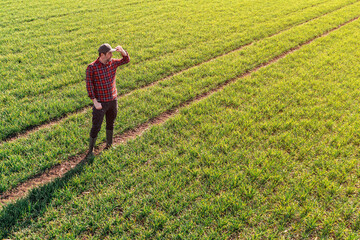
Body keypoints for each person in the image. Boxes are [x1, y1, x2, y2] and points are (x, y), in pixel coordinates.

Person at [85, 43, 130, 158]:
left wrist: (123, 52)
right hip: (100, 103)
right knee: (96, 126)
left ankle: (109, 145)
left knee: (111, 123)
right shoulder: (92, 67)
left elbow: (126, 60)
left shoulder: (112, 63)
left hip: (113, 100)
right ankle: (90, 151)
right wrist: (95, 101)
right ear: (102, 54)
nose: (111, 54)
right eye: (109, 52)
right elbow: (89, 86)